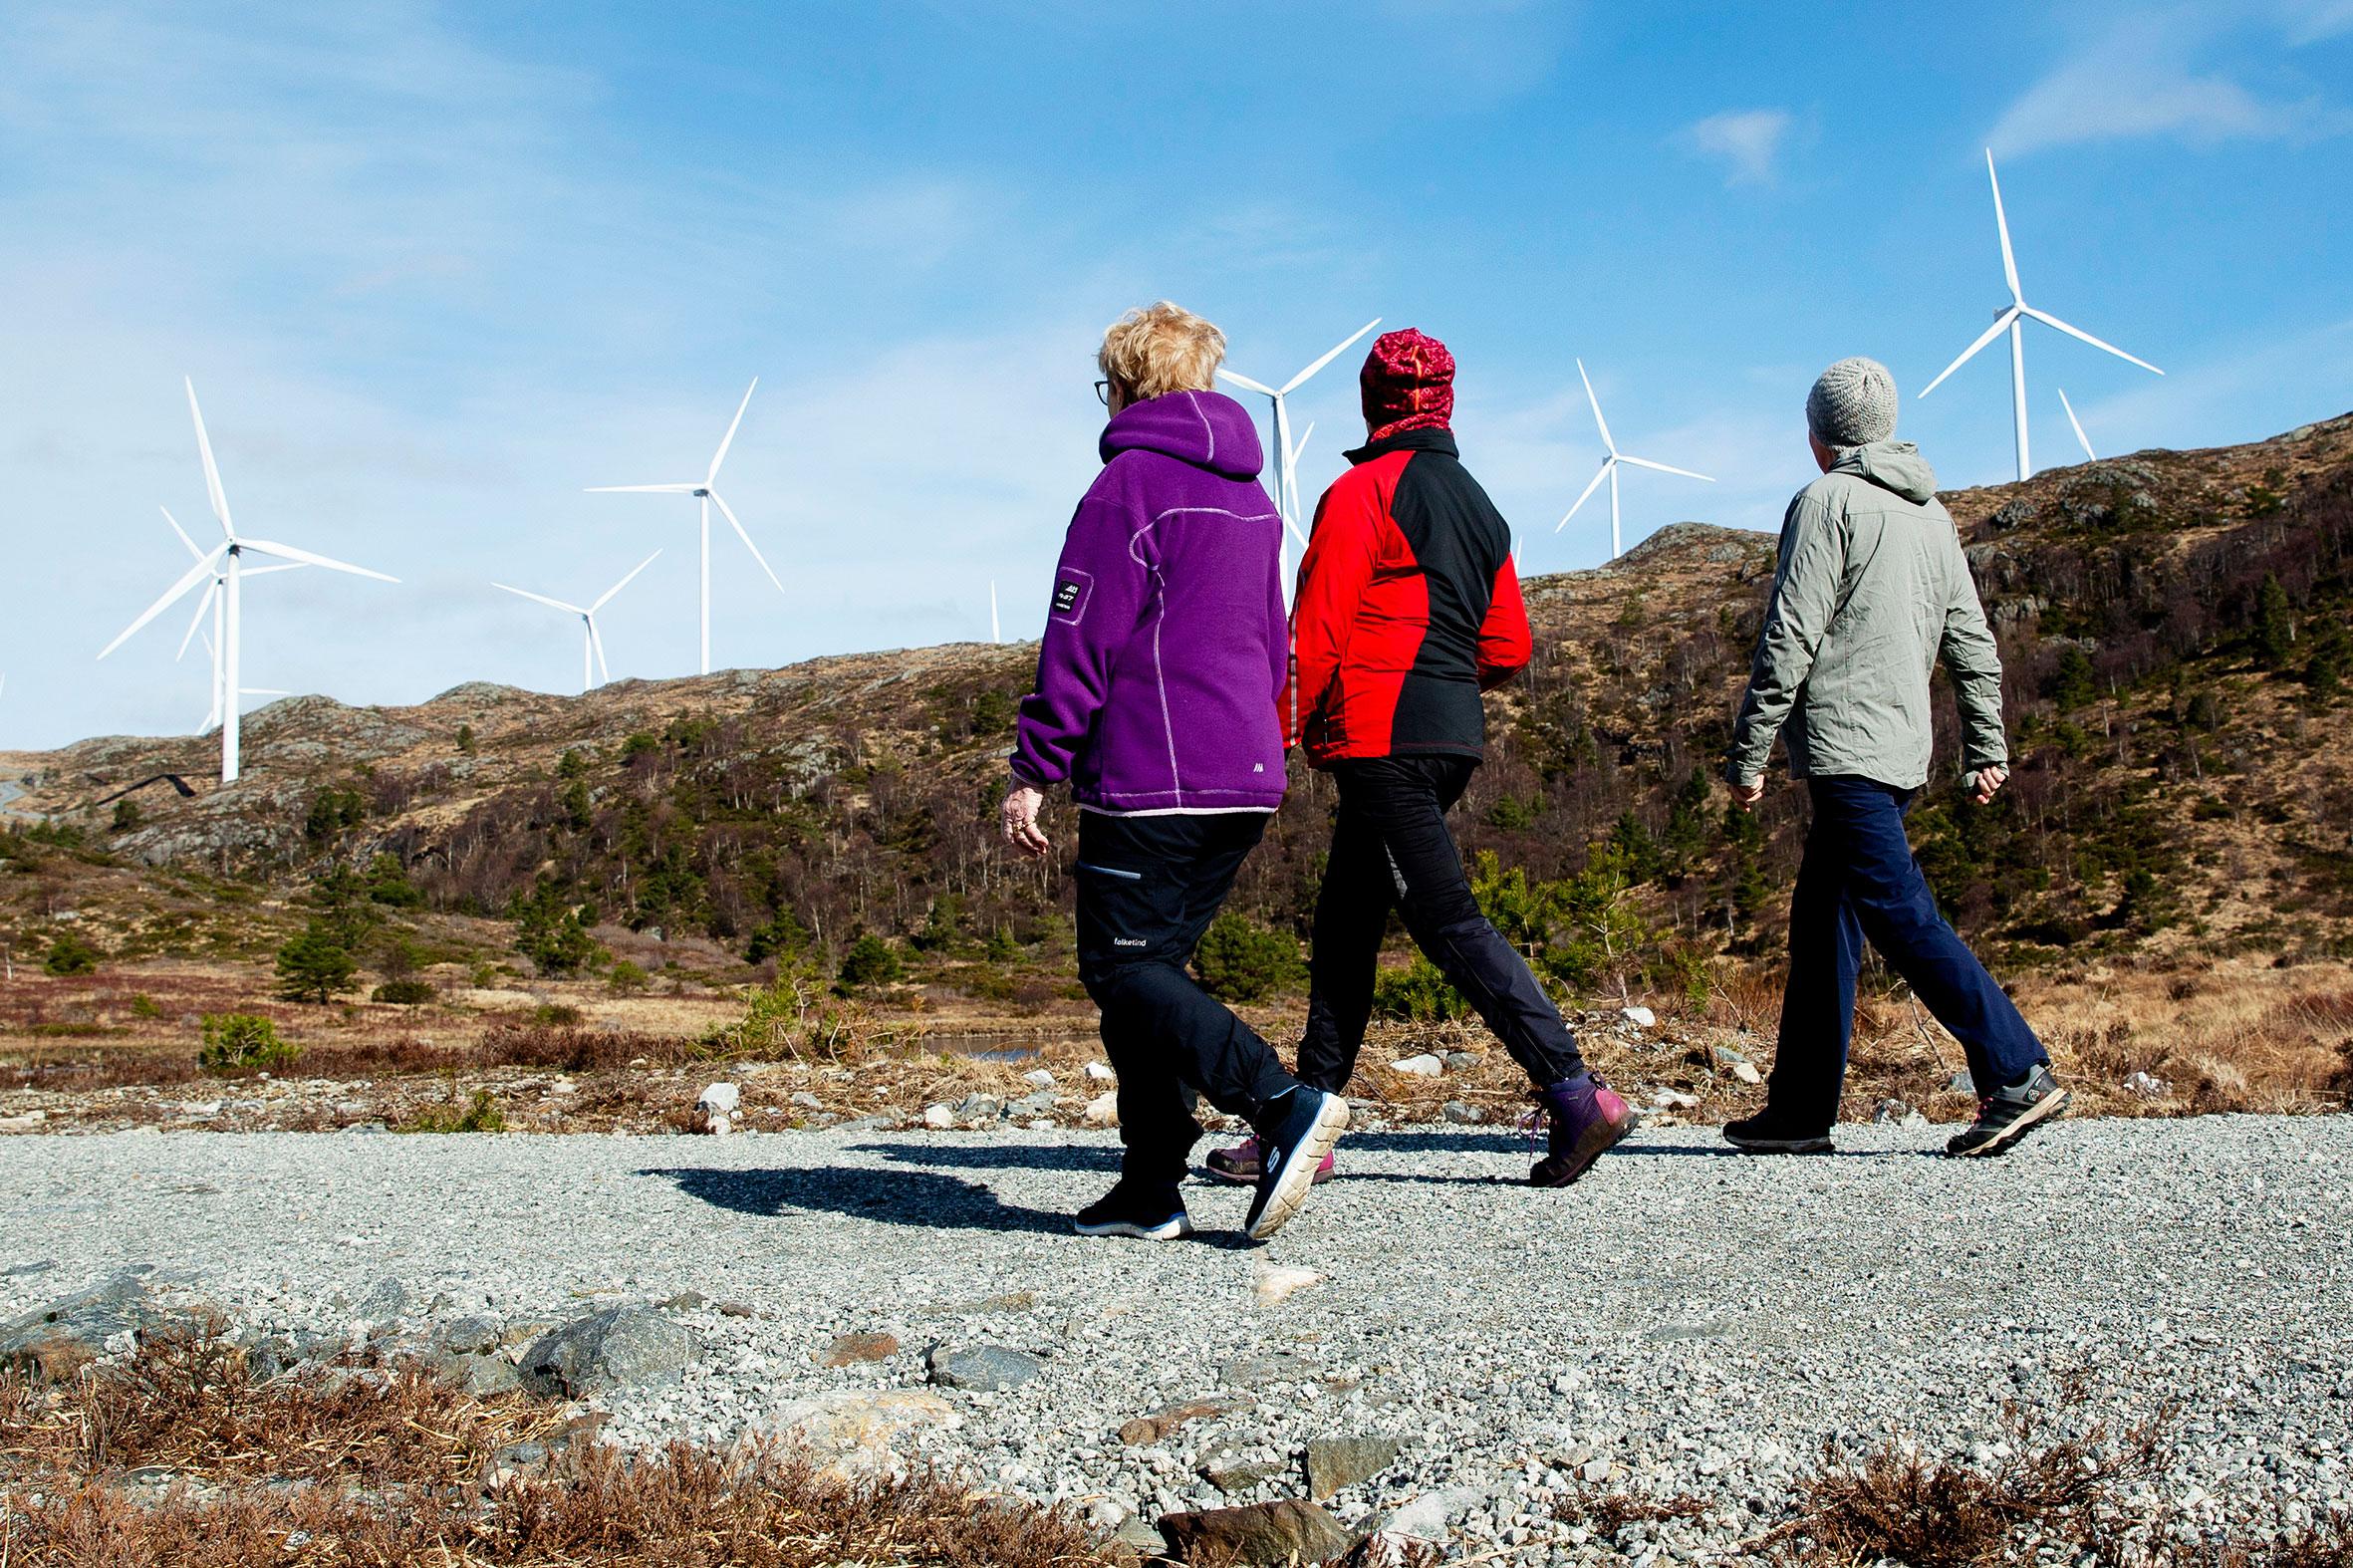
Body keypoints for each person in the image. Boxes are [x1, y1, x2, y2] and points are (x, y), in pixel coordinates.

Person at [1207, 328, 1635, 1190]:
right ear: (1447, 400)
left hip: (1383, 736)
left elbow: (1317, 633)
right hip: (1451, 737)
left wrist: (1274, 735)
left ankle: (1574, 1090)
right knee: (1345, 930)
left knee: (1444, 921)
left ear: (1372, 401)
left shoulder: (1362, 490)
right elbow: (1508, 644)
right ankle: (1306, 1127)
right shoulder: (1481, 505)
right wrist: (1438, 665)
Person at [1000, 301, 1348, 1242]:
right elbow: (1269, 642)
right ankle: (1150, 1185)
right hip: (1243, 773)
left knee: (1121, 966)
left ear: (1123, 382)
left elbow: (1082, 636)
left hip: (1154, 776)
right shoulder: (1253, 495)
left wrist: (1035, 764)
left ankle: (1282, 1106)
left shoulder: (1129, 488)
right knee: (1149, 973)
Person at [1722, 356, 2069, 1159]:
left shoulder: (1826, 501)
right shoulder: (1932, 515)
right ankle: (1801, 1111)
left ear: (1819, 436)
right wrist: (1985, 743)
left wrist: (1750, 750)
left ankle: (2016, 1071)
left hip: (1848, 750)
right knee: (1823, 923)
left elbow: (1790, 635)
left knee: (1901, 915)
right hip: (1904, 750)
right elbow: (1972, 641)